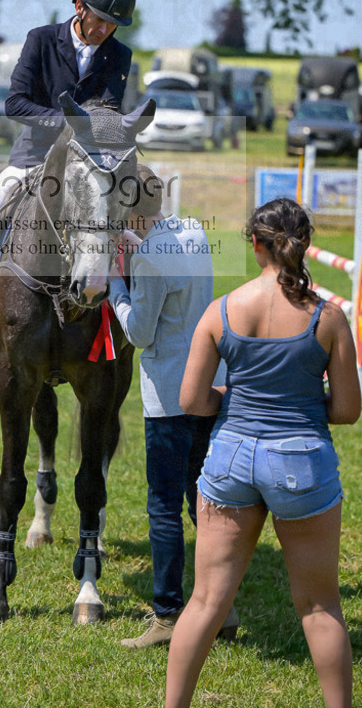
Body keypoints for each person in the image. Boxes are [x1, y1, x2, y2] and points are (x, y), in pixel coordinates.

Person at [166, 197, 361, 708]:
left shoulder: (221, 310)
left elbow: (191, 400)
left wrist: (233, 402)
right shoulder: (329, 318)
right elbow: (346, 410)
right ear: (306, 243)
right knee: (320, 607)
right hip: (302, 460)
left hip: (229, 457)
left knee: (206, 602)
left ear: (255, 245)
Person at [0, 0, 136, 349]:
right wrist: (65, 123)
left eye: (113, 24)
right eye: (100, 20)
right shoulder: (40, 40)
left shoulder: (120, 55)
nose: (105, 30)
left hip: (87, 162)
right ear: (78, 7)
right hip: (34, 154)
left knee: (123, 221)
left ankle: (128, 311)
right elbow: (15, 103)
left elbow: (109, 114)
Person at [107, 165, 238, 649]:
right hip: (210, 384)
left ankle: (166, 615)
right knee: (202, 502)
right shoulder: (194, 232)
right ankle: (220, 606)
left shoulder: (145, 261)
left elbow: (139, 334)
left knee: (163, 506)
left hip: (167, 393)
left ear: (128, 212)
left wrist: (118, 286)